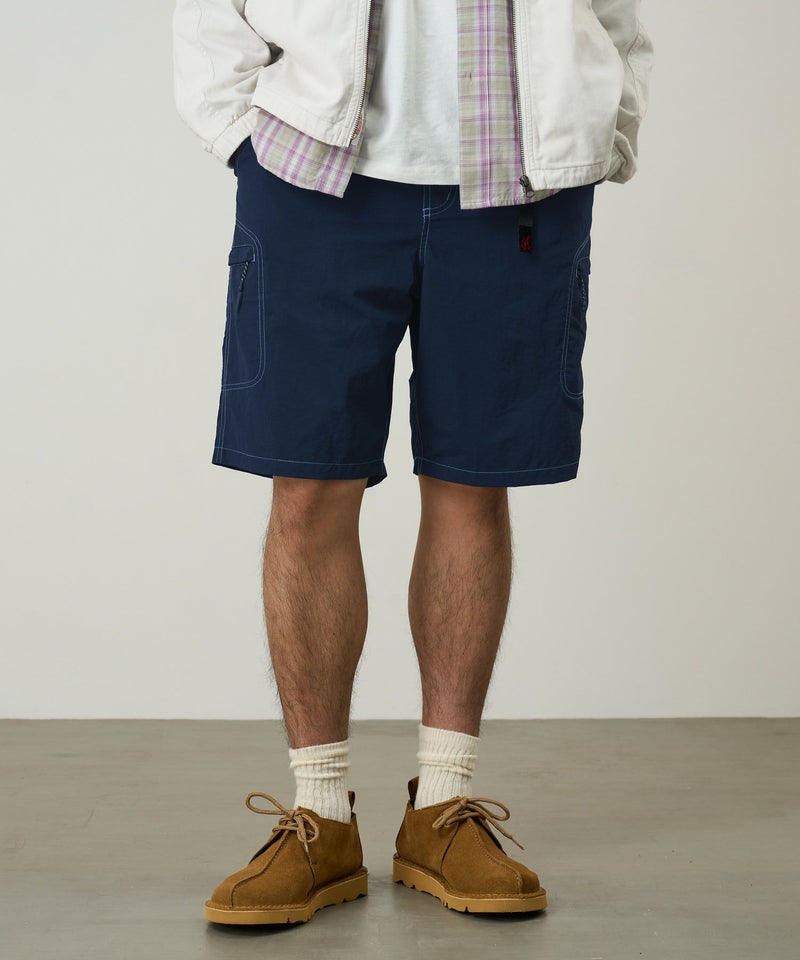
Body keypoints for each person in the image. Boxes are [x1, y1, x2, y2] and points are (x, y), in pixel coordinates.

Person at [172, 0, 654, 925]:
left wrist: (608, 119)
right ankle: (320, 816)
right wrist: (239, 135)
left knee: (474, 487)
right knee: (308, 487)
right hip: (315, 171)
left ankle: (443, 805)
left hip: (517, 179)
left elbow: (614, 13)